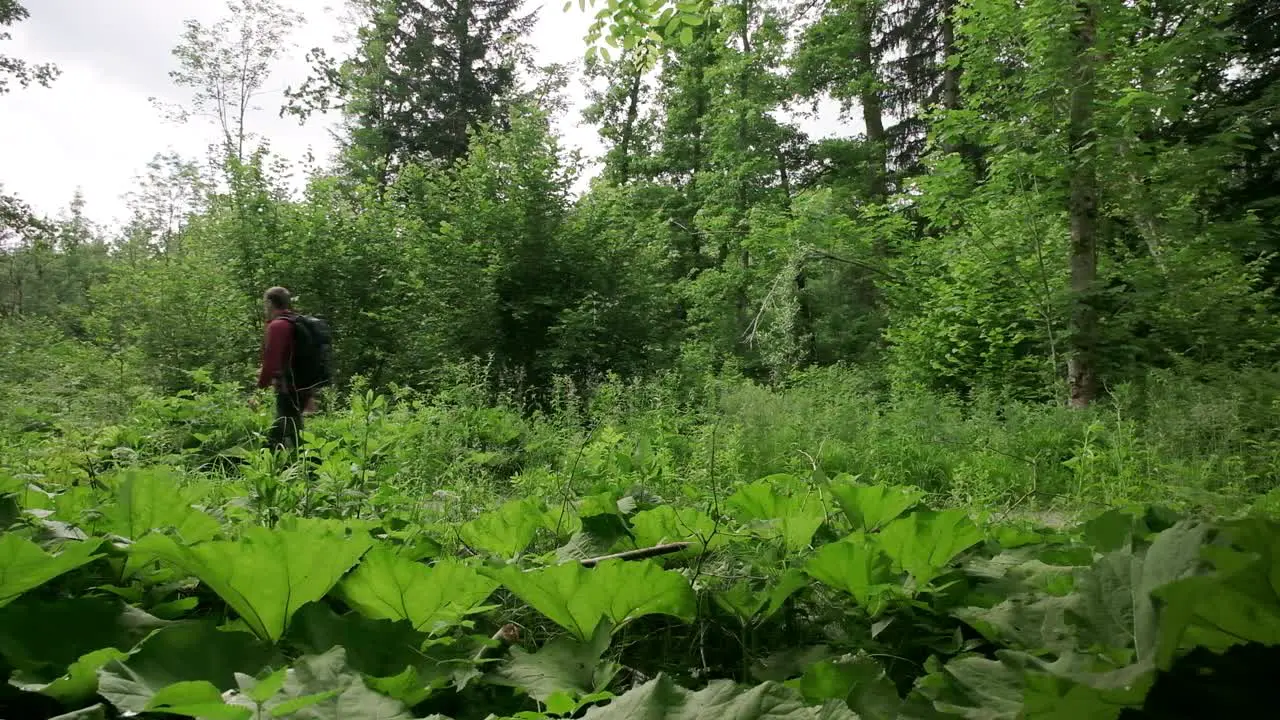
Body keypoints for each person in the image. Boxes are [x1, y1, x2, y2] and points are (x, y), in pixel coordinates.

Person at [255, 286, 315, 451]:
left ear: (269, 302)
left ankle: (309, 464)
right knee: (292, 426)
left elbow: (271, 362)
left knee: (285, 426)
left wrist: (259, 391)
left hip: (288, 386)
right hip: (302, 383)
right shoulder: (296, 322)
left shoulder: (278, 326)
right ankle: (303, 462)